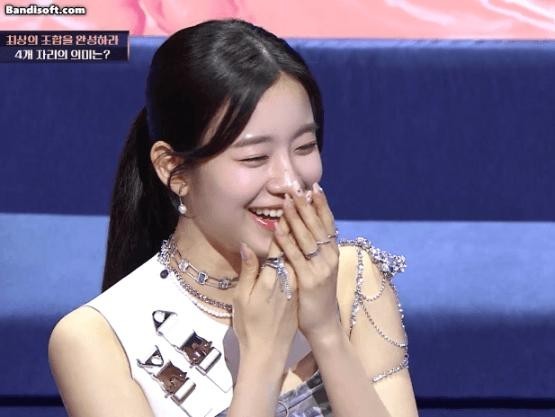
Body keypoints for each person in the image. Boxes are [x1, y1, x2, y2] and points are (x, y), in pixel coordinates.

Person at [48, 19, 418, 417]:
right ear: (173, 169)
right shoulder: (97, 340)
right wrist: (262, 362)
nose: (290, 182)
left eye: (304, 146)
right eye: (255, 158)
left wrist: (327, 332)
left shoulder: (350, 279)